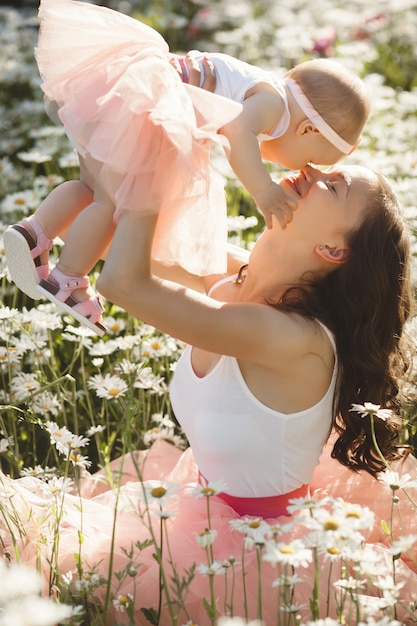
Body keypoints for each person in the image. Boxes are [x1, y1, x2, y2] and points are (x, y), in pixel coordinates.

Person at [1, 164, 416, 625]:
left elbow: (122, 282)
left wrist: (151, 168)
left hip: (255, 556)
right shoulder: (242, 279)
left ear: (332, 249)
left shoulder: (292, 338)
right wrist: (119, 148)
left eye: (333, 185)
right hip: (201, 505)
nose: (311, 168)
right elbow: (127, 234)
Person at [3, 0, 370, 336]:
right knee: (111, 204)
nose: (303, 170)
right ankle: (68, 279)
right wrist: (263, 190)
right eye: (311, 160)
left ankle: (36, 232)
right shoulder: (274, 104)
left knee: (91, 187)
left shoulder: (265, 87)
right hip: (144, 112)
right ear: (307, 129)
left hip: (124, 97)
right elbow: (237, 129)